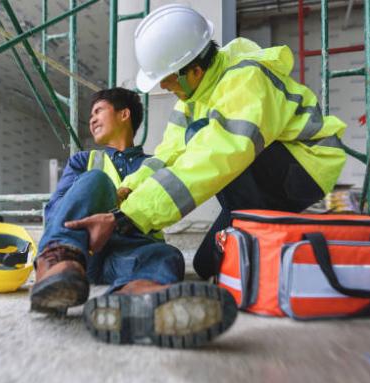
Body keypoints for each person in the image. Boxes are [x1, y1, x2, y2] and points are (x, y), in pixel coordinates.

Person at [66, 4, 347, 281]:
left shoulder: (246, 79)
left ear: (195, 71)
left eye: (168, 80)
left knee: (209, 144)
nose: (164, 87)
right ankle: (270, 234)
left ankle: (283, 231)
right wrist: (128, 189)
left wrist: (130, 217)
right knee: (207, 265)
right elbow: (167, 156)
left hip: (302, 169)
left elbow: (216, 157)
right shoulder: (191, 100)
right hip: (253, 185)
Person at [31, 87, 237, 349]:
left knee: (167, 254)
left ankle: (133, 298)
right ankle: (55, 266)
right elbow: (57, 208)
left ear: (124, 114)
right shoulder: (85, 161)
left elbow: (165, 208)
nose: (92, 119)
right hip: (83, 254)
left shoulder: (155, 164)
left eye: (98, 111)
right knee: (96, 180)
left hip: (128, 253)